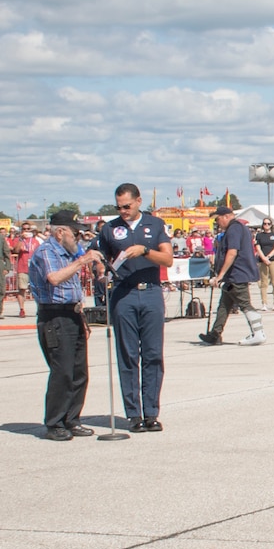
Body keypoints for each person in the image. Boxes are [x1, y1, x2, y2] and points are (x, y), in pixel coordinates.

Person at [95, 184, 173, 431]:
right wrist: (98, 270)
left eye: (127, 206)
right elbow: (98, 257)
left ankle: (151, 412)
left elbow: (168, 259)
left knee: (152, 355)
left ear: (138, 201)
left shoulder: (155, 225)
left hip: (150, 291)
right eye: (119, 207)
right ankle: (133, 414)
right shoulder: (110, 228)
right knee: (127, 355)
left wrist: (145, 251)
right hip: (123, 293)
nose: (123, 211)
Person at [28, 211, 100, 440]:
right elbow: (54, 278)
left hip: (73, 314)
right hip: (54, 316)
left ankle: (72, 418)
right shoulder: (47, 251)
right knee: (63, 372)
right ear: (61, 232)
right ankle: (55, 422)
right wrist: (81, 262)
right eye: (75, 233)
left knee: (79, 372)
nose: (78, 238)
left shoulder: (70, 252)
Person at [200, 206, 267, 347]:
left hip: (237, 274)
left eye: (218, 219)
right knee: (224, 305)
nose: (217, 223)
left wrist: (220, 275)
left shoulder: (234, 229)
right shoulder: (239, 228)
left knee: (244, 304)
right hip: (233, 275)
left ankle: (258, 333)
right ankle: (215, 334)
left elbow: (232, 252)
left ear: (226, 216)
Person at [254, 220, 274, 307]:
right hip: (263, 260)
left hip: (273, 260)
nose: (266, 225)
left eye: (268, 224)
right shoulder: (259, 235)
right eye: (265, 223)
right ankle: (264, 303)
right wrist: (264, 258)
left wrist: (268, 257)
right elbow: (258, 247)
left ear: (271, 225)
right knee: (264, 283)